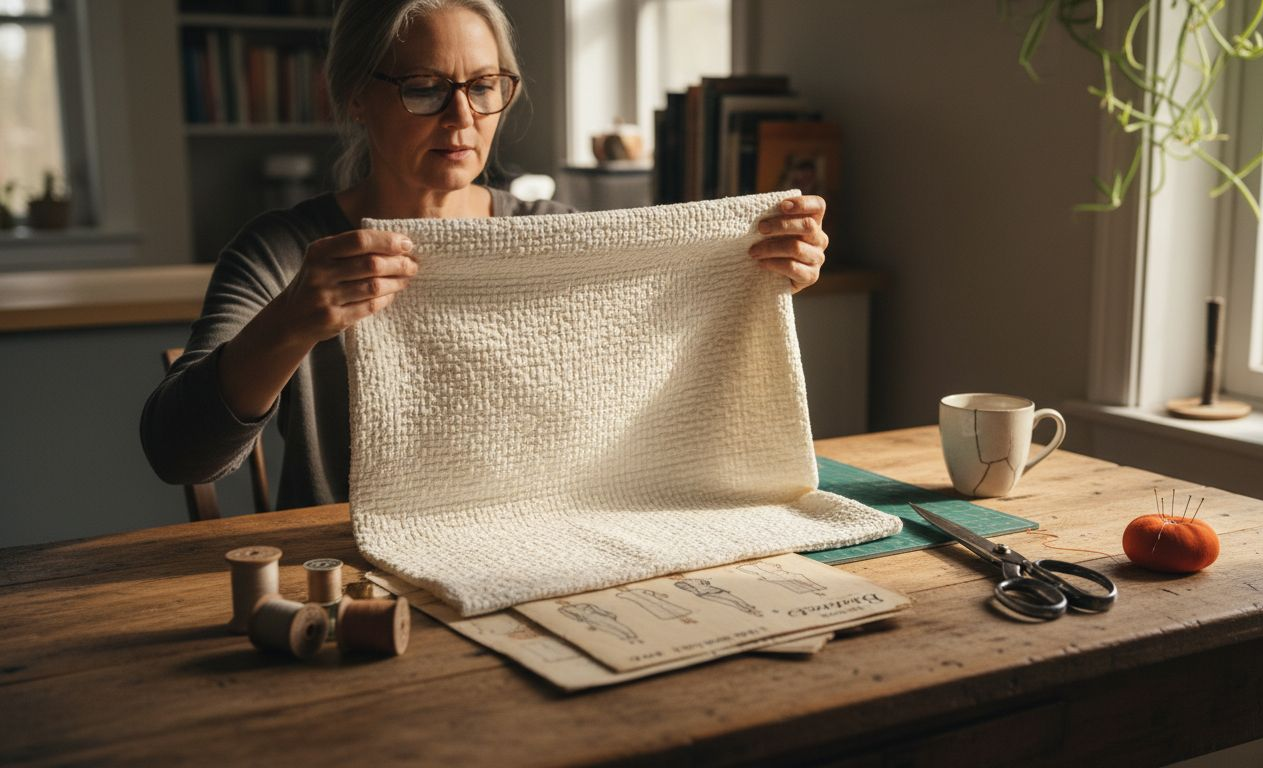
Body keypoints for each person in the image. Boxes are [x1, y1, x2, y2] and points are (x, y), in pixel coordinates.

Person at [141, 0, 832, 511]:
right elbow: (177, 453)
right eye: (424, 88)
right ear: (354, 96)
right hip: (348, 575)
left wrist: (751, 269)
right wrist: (290, 320)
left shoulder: (550, 236)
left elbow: (650, 370)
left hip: (528, 548)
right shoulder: (285, 252)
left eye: (482, 85)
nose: (462, 118)